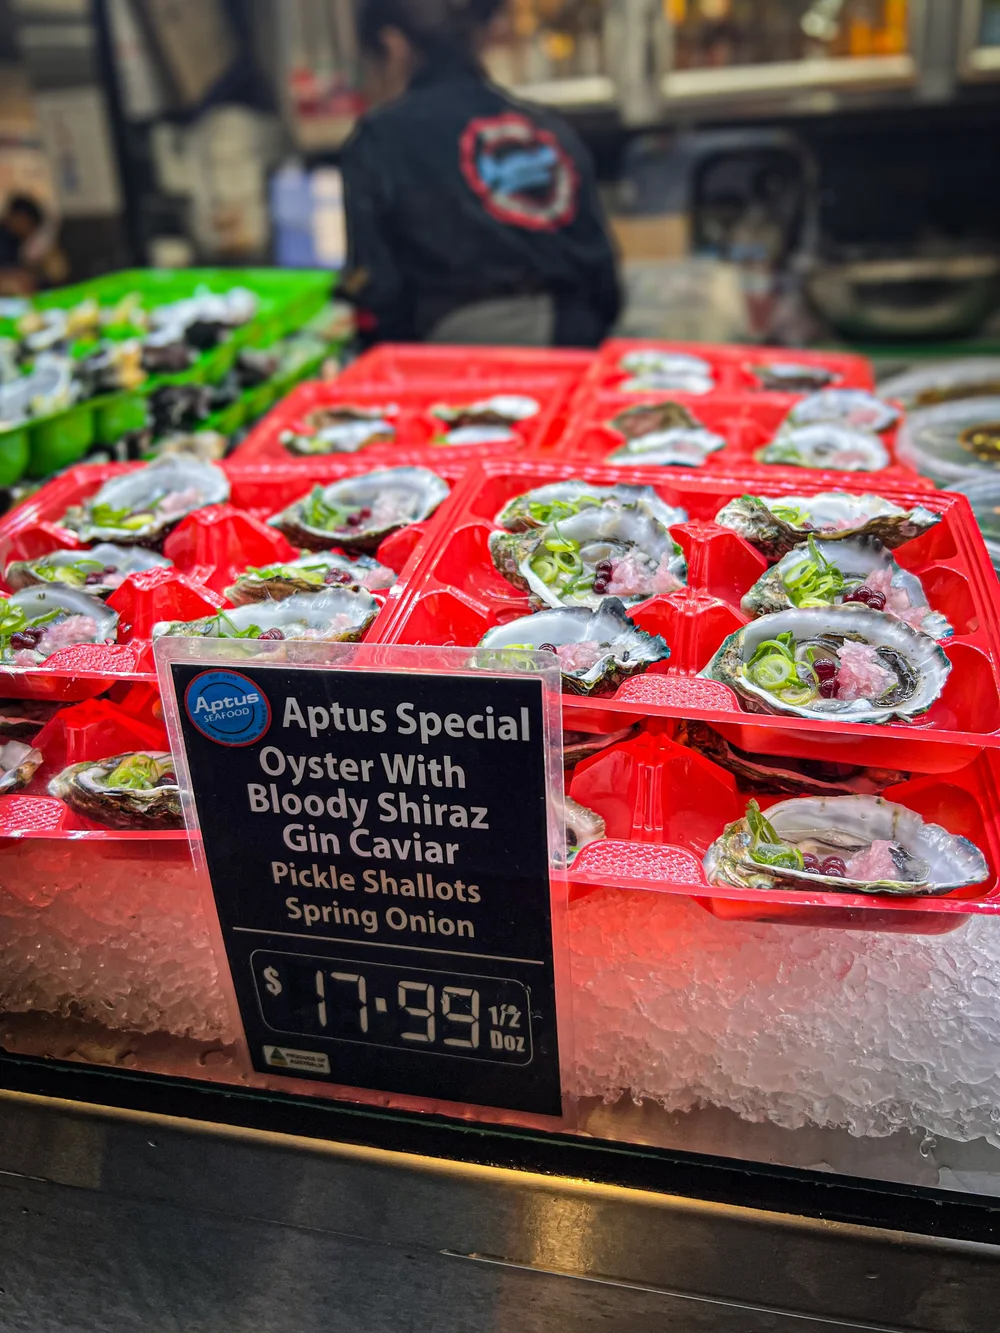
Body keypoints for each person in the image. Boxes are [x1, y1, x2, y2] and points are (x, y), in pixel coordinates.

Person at [341, 0, 621, 347]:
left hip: (462, 353)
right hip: (580, 337)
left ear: (393, 46)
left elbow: (379, 289)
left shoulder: (380, 139)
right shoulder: (545, 126)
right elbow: (605, 277)